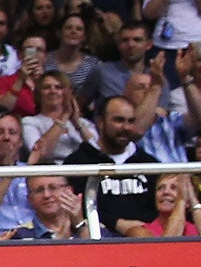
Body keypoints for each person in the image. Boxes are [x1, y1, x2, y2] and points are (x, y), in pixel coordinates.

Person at [63, 95, 162, 237]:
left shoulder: (149, 164)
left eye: (131, 121)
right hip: (98, 240)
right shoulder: (77, 163)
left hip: (147, 239)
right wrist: (117, 223)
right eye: (119, 120)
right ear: (100, 122)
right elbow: (76, 208)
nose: (126, 127)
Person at [136, 169, 201, 238]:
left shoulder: (198, 230)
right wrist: (181, 200)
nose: (166, 192)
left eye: (174, 188)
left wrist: (192, 199)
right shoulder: (140, 231)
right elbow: (167, 248)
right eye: (160, 188)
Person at [8, 170, 85, 240]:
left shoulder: (92, 226)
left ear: (69, 191)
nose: (46, 195)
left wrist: (80, 225)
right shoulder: (19, 235)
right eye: (39, 190)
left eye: (53, 188)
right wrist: (60, 242)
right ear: (29, 199)